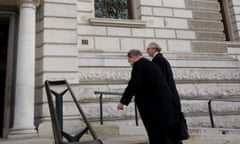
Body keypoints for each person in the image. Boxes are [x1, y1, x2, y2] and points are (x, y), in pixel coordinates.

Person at [117, 49, 180, 144]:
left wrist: (123, 101)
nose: (130, 63)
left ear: (133, 57)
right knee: (166, 134)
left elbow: (133, 84)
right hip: (165, 105)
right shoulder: (152, 65)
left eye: (129, 60)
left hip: (153, 107)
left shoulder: (139, 65)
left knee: (156, 133)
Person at [147, 42, 183, 144]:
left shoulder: (158, 60)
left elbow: (160, 81)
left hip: (167, 98)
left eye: (148, 48)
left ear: (154, 49)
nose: (147, 51)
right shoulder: (161, 60)